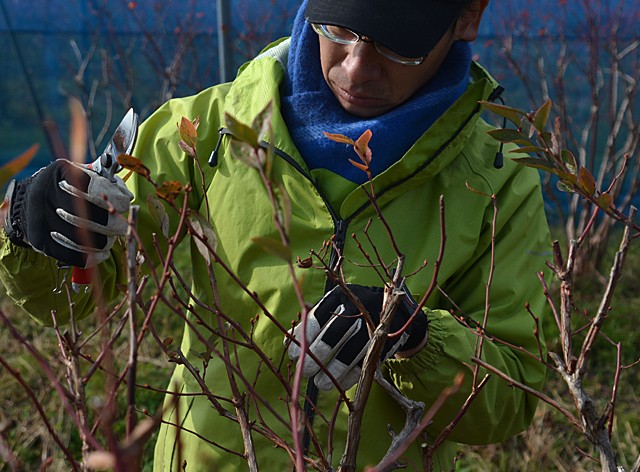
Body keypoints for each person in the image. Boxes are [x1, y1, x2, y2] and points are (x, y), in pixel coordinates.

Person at [0, 0, 552, 470]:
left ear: (468, 16)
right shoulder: (207, 130)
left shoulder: (495, 182)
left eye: (397, 47)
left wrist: (411, 337)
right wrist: (31, 227)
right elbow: (70, 298)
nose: (356, 68)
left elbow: (510, 397)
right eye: (337, 29)